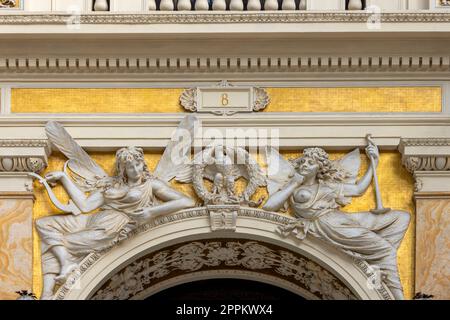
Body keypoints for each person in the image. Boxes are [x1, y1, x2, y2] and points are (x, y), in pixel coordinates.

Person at [36, 146, 195, 299]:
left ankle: (48, 293)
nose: (135, 170)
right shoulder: (111, 184)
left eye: (138, 164)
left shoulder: (151, 185)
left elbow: (186, 201)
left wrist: (151, 212)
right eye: (130, 166)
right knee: (44, 224)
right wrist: (64, 179)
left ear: (143, 164)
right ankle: (65, 262)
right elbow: (86, 205)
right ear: (122, 169)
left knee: (62, 243)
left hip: (113, 226)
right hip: (92, 220)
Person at [263, 145, 410, 300]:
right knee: (387, 251)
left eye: (310, 163)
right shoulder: (293, 187)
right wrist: (294, 182)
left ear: (319, 168)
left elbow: (358, 189)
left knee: (401, 218)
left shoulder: (328, 186)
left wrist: (374, 162)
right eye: (303, 161)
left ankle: (376, 263)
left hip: (341, 219)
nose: (305, 164)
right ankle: (395, 292)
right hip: (327, 225)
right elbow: (269, 206)